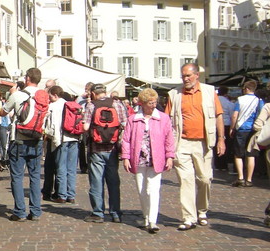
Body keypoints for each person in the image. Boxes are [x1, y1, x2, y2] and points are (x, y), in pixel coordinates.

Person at [166, 63, 226, 231]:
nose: (185, 79)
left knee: (205, 179)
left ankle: (202, 211)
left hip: (204, 142)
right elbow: (167, 121)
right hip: (182, 143)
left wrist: (221, 139)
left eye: (188, 76)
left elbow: (218, 116)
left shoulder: (208, 92)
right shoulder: (175, 94)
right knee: (186, 181)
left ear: (196, 75)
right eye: (183, 76)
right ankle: (188, 217)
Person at [120, 88, 176, 233]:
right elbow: (126, 140)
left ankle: (152, 220)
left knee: (153, 189)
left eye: (155, 102)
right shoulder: (133, 119)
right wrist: (125, 157)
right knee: (141, 189)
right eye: (150, 102)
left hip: (156, 158)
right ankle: (146, 216)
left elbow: (169, 138)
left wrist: (170, 156)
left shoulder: (163, 118)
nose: (153, 105)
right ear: (143, 103)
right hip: (138, 158)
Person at [1, 67, 44, 222]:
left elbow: (3, 112)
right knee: (35, 176)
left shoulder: (17, 95)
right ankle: (36, 211)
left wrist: (11, 95)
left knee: (17, 177)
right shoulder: (43, 96)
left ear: (27, 78)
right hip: (37, 140)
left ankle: (19, 212)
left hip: (19, 140)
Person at [83, 83, 128, 223]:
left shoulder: (91, 106)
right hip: (113, 148)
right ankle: (115, 213)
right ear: (105, 92)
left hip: (96, 148)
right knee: (113, 181)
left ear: (94, 94)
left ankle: (98, 213)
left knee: (96, 181)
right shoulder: (117, 105)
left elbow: (85, 126)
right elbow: (125, 125)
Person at [230, 80, 264, 187]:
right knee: (251, 155)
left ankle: (240, 177)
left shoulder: (240, 100)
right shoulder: (259, 101)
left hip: (241, 129)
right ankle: (249, 179)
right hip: (253, 130)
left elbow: (235, 115)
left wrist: (232, 128)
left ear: (246, 89)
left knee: (238, 155)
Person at [215, 86, 235, 171]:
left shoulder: (214, 100)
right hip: (226, 125)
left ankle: (218, 165)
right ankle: (225, 165)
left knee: (215, 145)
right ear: (226, 93)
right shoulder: (228, 103)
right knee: (225, 145)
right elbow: (232, 115)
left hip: (214, 124)